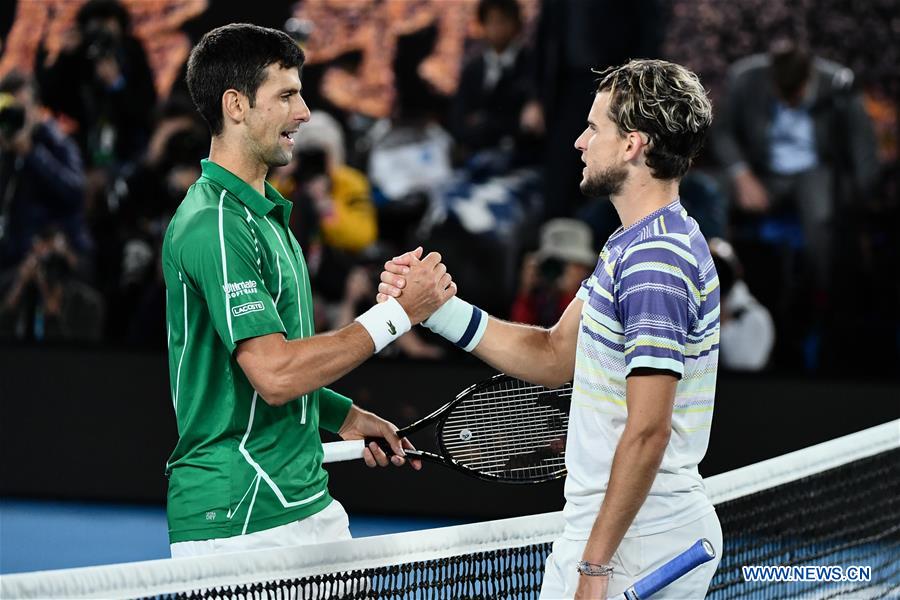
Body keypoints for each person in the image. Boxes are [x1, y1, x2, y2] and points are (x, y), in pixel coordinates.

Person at [381, 59, 722, 598]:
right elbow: (553, 353)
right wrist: (436, 311)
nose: (580, 143)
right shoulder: (634, 244)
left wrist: (595, 565)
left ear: (632, 144)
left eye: (594, 128)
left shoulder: (655, 259)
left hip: (635, 541)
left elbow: (649, 430)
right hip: (628, 532)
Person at [162, 23, 454, 558]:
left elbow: (258, 378)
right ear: (236, 105)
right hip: (242, 517)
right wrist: (396, 316)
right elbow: (274, 375)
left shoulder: (267, 218)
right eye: (287, 95)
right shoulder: (215, 224)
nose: (305, 112)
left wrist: (345, 417)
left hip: (302, 501)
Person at [0, 71, 89, 269]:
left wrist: (32, 153)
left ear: (38, 108)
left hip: (57, 254)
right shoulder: (6, 150)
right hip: (15, 257)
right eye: (12, 110)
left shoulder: (57, 141)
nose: (19, 116)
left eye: (24, 108)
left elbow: (74, 192)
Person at [510, 218, 596, 328]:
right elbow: (520, 335)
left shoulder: (595, 301)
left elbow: (571, 336)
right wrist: (526, 293)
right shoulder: (541, 297)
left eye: (564, 263)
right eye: (554, 263)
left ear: (583, 269)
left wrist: (569, 297)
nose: (556, 270)